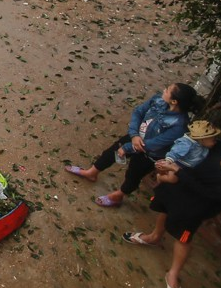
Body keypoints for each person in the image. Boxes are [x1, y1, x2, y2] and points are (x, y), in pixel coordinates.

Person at [123, 130, 221, 288]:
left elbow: (208, 194)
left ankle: (173, 274)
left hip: (194, 209)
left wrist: (177, 170)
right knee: (164, 210)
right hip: (177, 188)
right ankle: (154, 237)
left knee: (183, 238)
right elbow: (197, 142)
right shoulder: (219, 149)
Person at [66, 82, 198, 207]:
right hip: (135, 138)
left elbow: (154, 145)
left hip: (149, 154)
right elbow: (138, 112)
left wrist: (128, 147)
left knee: (133, 174)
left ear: (174, 101)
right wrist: (134, 135)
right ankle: (91, 173)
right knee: (110, 153)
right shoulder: (158, 99)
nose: (164, 90)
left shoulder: (179, 125)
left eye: (168, 90)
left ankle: (118, 195)